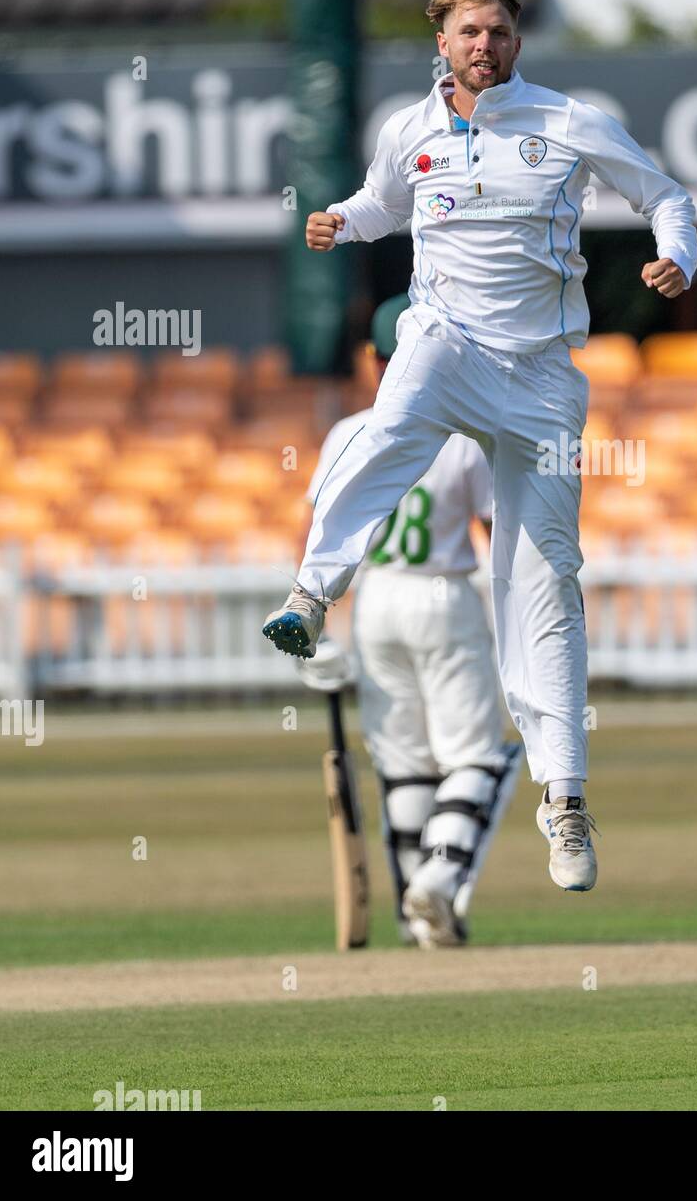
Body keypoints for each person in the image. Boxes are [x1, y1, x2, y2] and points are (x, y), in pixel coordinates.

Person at [263, 0, 697, 895]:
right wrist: (342, 218)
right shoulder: (408, 129)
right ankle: (310, 595)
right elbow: (386, 205)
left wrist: (675, 258)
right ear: (442, 41)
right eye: (469, 32)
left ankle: (566, 795)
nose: (485, 46)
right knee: (389, 423)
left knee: (547, 574)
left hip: (542, 375)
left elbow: (665, 196)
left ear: (514, 39)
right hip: (446, 338)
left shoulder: (564, 121)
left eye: (499, 31)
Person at [298, 295, 518, 949]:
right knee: (474, 756)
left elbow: (318, 536)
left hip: (373, 601)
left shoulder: (346, 434)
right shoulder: (466, 437)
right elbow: (495, 537)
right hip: (442, 595)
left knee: (403, 763)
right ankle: (439, 880)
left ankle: (410, 912)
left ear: (374, 361)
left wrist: (315, 628)